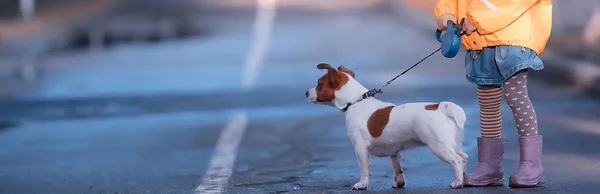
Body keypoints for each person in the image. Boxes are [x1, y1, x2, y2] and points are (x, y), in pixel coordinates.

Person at [433, 0, 552, 188]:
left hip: (512, 32)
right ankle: (489, 166)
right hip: (479, 38)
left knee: (516, 97)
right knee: (487, 101)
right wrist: (447, 12)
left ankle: (532, 165)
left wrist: (479, 18)